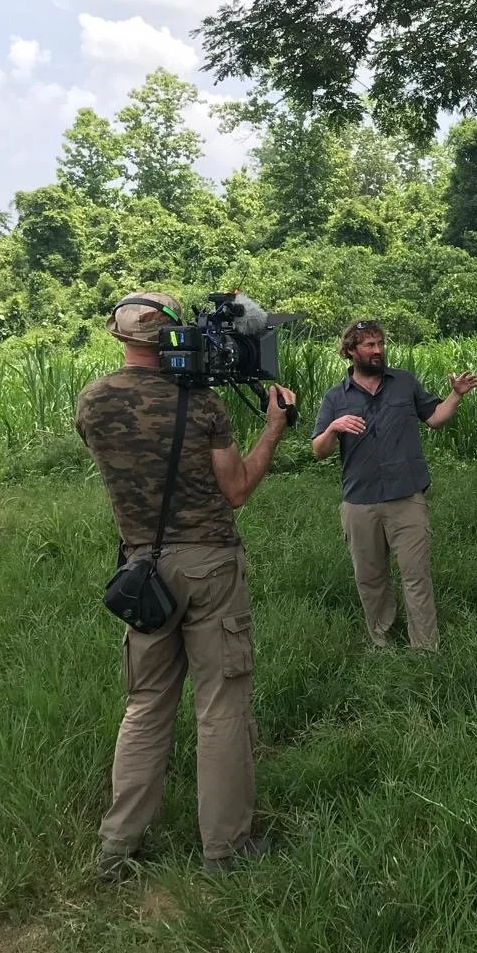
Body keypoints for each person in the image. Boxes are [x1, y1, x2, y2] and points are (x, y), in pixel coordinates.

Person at [75, 290, 297, 880]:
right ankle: (225, 850)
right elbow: (238, 491)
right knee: (220, 706)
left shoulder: (93, 402)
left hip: (141, 571)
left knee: (145, 706)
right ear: (171, 335)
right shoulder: (202, 405)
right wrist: (273, 427)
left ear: (120, 337)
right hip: (208, 566)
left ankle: (117, 848)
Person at [311, 319, 477, 652]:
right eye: (369, 345)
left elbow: (435, 419)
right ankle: (381, 641)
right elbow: (318, 451)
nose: (378, 350)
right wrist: (333, 428)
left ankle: (425, 647)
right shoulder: (335, 398)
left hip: (406, 497)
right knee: (370, 579)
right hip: (360, 502)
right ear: (350, 351)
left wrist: (455, 396)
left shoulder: (404, 382)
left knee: (416, 576)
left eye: (380, 343)